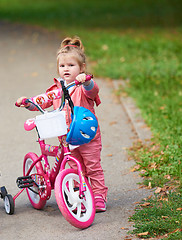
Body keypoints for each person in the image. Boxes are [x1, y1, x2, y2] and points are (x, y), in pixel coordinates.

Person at [16, 36, 108, 212]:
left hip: (87, 136)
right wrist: (27, 102)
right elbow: (42, 101)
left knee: (92, 166)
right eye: (62, 66)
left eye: (71, 65)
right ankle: (78, 192)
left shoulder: (82, 87)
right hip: (66, 138)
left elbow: (93, 90)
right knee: (74, 166)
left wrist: (86, 80)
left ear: (81, 68)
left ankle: (98, 196)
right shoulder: (56, 90)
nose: (66, 69)